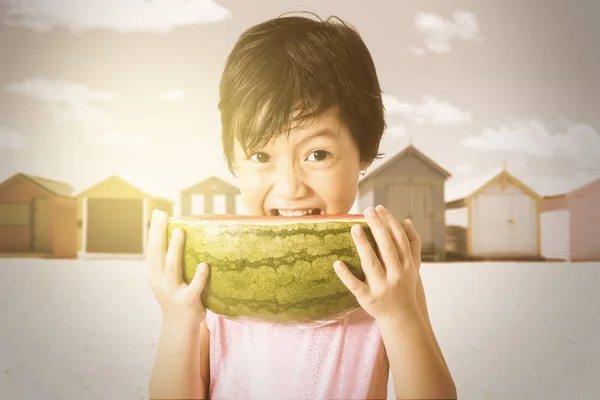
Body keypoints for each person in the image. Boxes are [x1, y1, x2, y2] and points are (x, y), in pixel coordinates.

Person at [146, 12, 457, 400]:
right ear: (232, 161)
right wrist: (180, 321)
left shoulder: (383, 270)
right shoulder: (211, 270)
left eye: (318, 153)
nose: (290, 187)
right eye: (261, 156)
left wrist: (398, 315)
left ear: (364, 149)